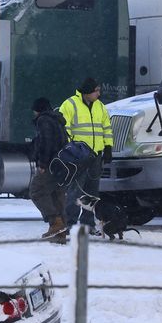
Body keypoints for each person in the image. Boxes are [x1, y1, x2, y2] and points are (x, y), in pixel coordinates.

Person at [59, 77, 113, 234]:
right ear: (88, 92)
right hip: (78, 157)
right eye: (96, 90)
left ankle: (88, 223)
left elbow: (106, 128)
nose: (99, 93)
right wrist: (71, 150)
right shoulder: (70, 105)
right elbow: (63, 129)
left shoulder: (100, 106)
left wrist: (108, 147)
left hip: (95, 155)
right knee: (76, 190)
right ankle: (69, 223)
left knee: (92, 191)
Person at [28, 97, 70, 244]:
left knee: (36, 191)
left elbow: (47, 142)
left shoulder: (43, 120)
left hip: (51, 163)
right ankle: (60, 233)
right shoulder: (57, 119)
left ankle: (55, 222)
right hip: (62, 163)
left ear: (38, 109)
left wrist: (43, 164)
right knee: (56, 194)